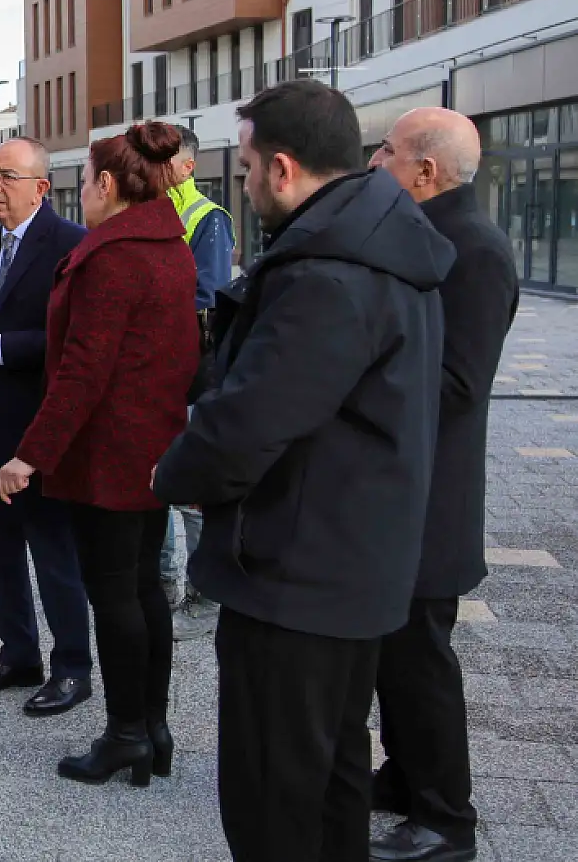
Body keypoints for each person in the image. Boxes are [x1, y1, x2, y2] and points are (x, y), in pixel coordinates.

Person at [153, 80, 455, 862]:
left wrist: (169, 473)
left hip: (296, 577)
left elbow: (249, 419)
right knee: (331, 783)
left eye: (247, 164)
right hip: (348, 565)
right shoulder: (377, 243)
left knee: (274, 796)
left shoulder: (329, 271)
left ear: (282, 168)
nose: (244, 182)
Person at [0, 123, 197, 788]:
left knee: (115, 597)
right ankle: (152, 727)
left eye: (84, 180)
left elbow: (82, 371)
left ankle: (127, 733)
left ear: (107, 184)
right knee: (144, 591)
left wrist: (29, 455)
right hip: (152, 447)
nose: (81, 193)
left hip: (110, 455)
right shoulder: (169, 244)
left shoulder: (112, 256)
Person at [368, 108, 517, 862]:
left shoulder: (475, 251)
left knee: (422, 661)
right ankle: (403, 776)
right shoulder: (433, 234)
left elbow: (458, 382)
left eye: (387, 152)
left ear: (424, 170)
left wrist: (358, 379)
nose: (374, 162)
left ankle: (445, 819)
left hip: (432, 499)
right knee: (395, 655)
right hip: (401, 492)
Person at [0, 137, 94, 717]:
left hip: (39, 432)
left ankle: (73, 668)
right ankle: (17, 653)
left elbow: (73, 342)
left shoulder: (70, 246)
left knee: (54, 552)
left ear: (41, 186)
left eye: (7, 176)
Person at [161, 125, 234, 640]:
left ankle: (204, 591)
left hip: (189, 369)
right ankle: (164, 581)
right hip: (154, 371)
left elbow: (208, 295)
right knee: (156, 479)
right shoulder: (140, 209)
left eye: (166, 160)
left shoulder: (207, 220)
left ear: (188, 166)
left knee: (192, 485)